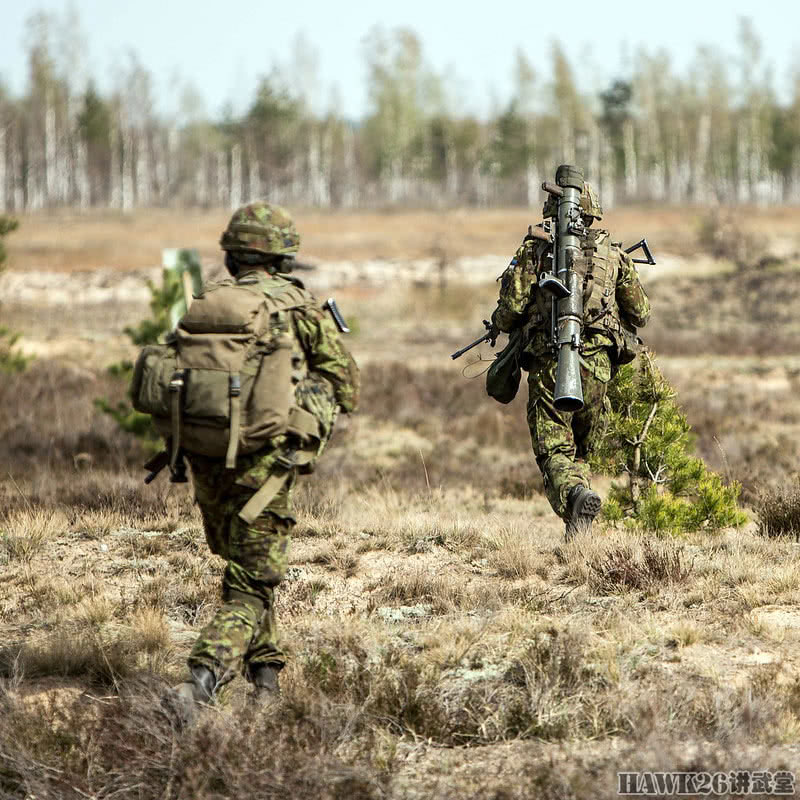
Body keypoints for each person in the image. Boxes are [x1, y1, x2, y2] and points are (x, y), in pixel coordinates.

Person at [173, 202, 359, 707]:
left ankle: (266, 680)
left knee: (242, 563)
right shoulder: (296, 306)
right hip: (266, 463)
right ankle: (200, 682)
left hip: (205, 455)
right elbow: (347, 383)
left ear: (232, 256)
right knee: (252, 584)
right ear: (283, 258)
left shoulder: (207, 303)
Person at [490, 180, 650, 539]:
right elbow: (641, 313)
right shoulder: (614, 255)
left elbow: (510, 310)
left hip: (551, 363)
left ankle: (576, 496)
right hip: (599, 368)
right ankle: (578, 531)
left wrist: (499, 323)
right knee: (579, 453)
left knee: (554, 451)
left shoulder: (537, 250)